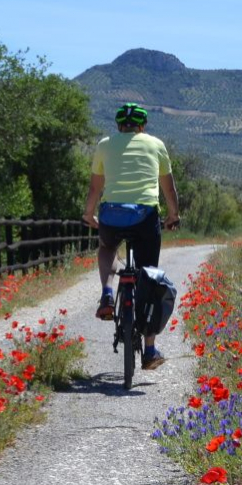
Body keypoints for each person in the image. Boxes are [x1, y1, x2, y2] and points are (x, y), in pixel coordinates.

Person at [82, 103, 180, 370]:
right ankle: (149, 350)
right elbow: (168, 189)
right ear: (142, 126)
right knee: (149, 277)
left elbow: (95, 187)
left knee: (106, 248)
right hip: (146, 216)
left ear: (118, 126)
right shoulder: (156, 145)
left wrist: (89, 215)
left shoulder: (104, 144)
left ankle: (107, 294)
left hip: (111, 214)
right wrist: (173, 215)